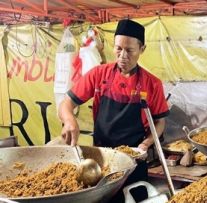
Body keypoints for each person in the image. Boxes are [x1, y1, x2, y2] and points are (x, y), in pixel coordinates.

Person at [58, 19, 169, 202]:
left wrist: (146, 144)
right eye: (118, 48)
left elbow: (160, 123)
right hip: (103, 161)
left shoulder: (152, 84)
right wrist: (69, 120)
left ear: (142, 49)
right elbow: (67, 103)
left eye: (130, 50)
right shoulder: (98, 74)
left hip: (134, 161)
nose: (122, 55)